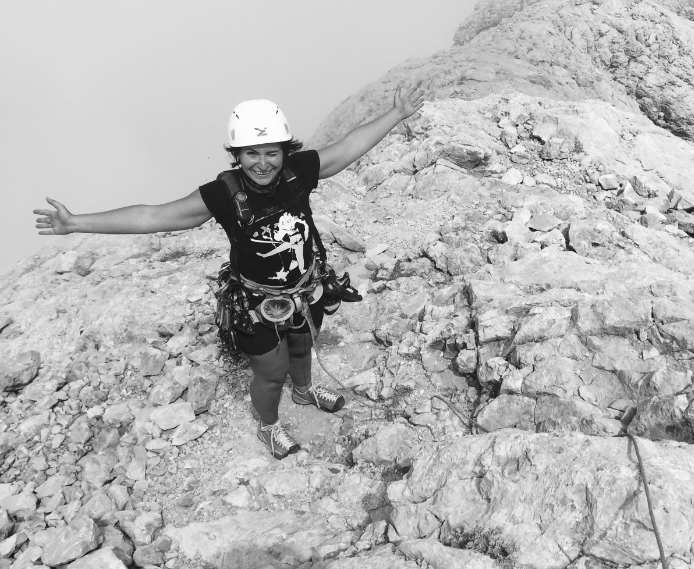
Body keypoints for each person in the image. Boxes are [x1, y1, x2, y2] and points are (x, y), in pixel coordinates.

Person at [34, 86, 424, 458]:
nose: (262, 163)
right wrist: (76, 223)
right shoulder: (222, 194)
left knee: (305, 345)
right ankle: (268, 424)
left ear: (284, 151)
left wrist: (396, 113)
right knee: (272, 374)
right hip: (256, 302)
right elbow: (154, 215)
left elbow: (346, 149)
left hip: (306, 287)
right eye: (251, 153)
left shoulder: (298, 172)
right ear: (237, 154)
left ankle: (304, 391)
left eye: (271, 152)